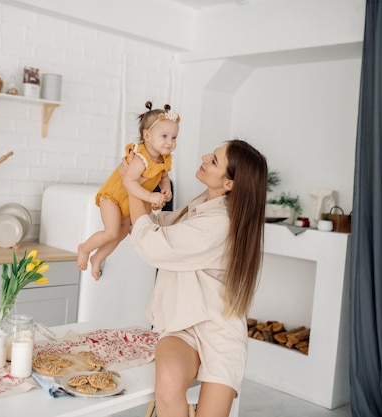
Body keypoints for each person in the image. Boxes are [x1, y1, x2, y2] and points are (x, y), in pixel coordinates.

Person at [125, 139, 268, 417]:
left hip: (219, 331)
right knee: (167, 384)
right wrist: (138, 188)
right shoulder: (202, 204)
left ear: (230, 184)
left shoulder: (221, 222)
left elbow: (154, 246)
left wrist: (132, 183)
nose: (204, 156)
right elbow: (157, 229)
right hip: (181, 325)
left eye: (214, 160)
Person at [77, 101, 181, 280]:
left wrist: (165, 190)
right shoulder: (140, 158)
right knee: (111, 232)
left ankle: (98, 257)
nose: (169, 142)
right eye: (164, 136)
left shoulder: (164, 159)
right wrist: (149, 196)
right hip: (113, 198)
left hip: (127, 203)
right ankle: (84, 248)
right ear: (147, 135)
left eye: (174, 138)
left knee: (121, 233)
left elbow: (164, 177)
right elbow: (129, 180)